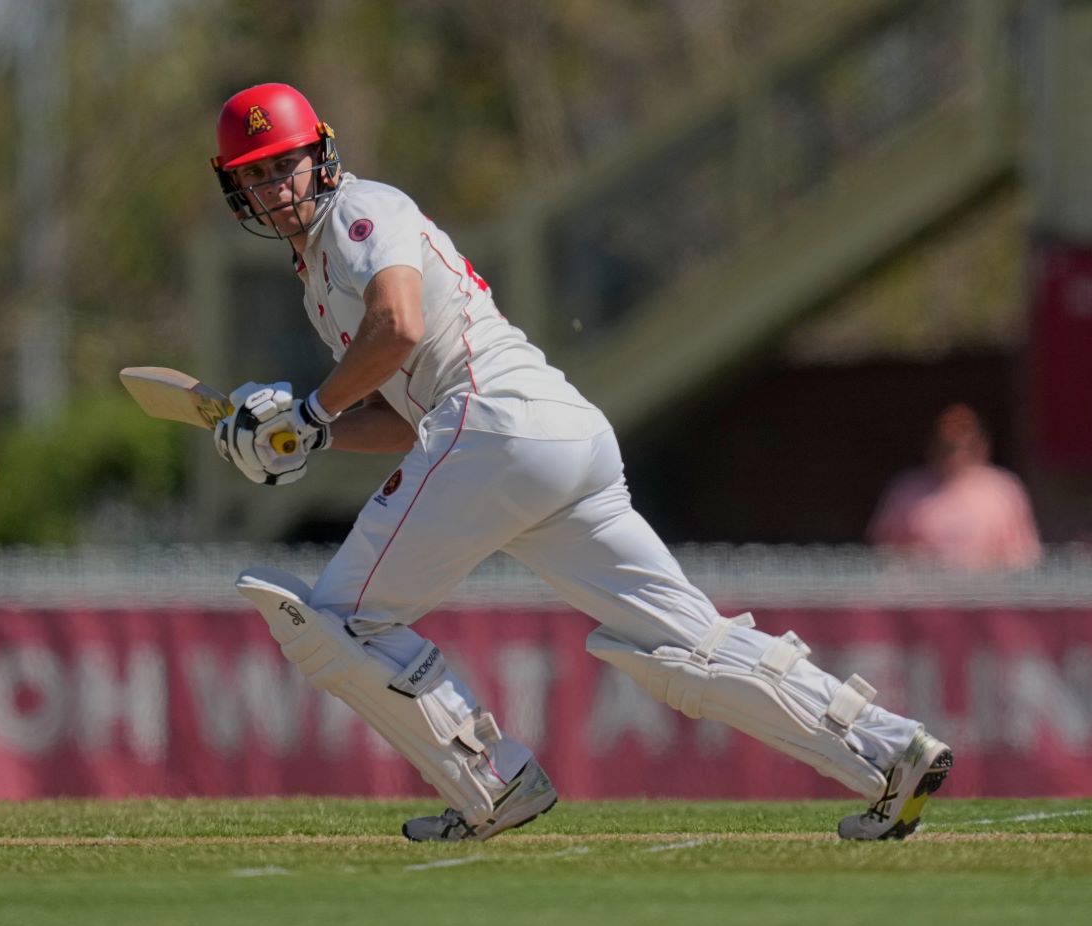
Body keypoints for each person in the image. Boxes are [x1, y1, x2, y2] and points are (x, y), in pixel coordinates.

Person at [208, 83, 950, 843]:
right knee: (683, 644)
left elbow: (397, 324)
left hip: (494, 424)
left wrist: (308, 412)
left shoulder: (363, 214)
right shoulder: (318, 278)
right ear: (236, 188)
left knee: (336, 621)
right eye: (256, 175)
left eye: (284, 166)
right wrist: (314, 435)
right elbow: (405, 414)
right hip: (549, 435)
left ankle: (494, 784)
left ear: (322, 157)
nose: (275, 188)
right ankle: (892, 750)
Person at [867, 403, 1041, 571]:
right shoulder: (907, 489)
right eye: (948, 447)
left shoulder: (1003, 491)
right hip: (923, 594)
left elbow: (1024, 557)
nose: (956, 455)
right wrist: (918, 563)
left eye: (964, 446)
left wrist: (983, 567)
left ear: (981, 445)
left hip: (986, 595)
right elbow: (881, 552)